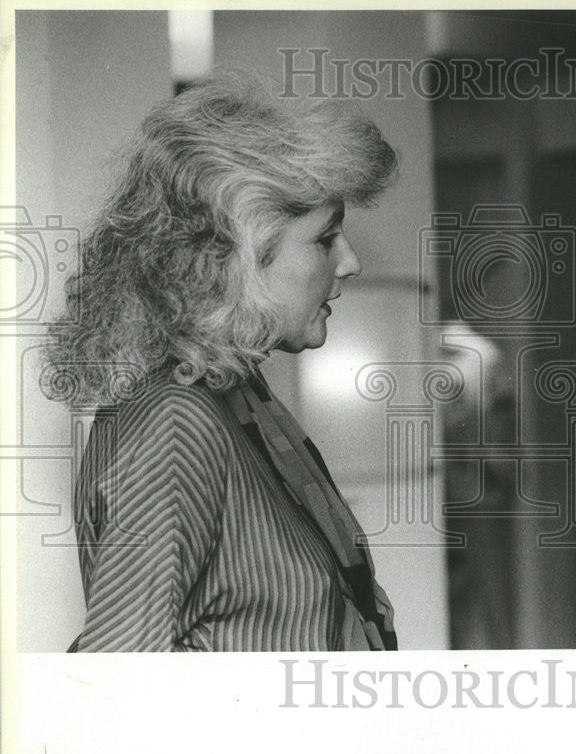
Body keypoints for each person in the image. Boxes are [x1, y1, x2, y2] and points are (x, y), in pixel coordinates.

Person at [43, 70, 398, 651]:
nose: (351, 262)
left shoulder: (236, 396)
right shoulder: (177, 424)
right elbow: (111, 682)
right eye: (325, 238)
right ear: (239, 252)